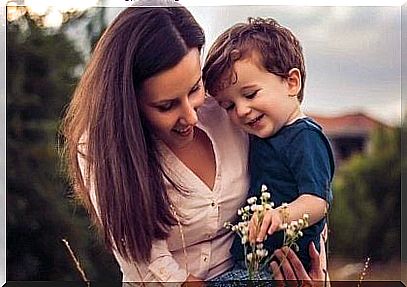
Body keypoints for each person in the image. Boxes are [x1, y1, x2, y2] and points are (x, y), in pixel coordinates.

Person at [62, 1, 327, 285]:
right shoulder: (100, 151)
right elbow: (148, 265)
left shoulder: (232, 110)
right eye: (166, 105)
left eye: (195, 89)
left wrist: (317, 273)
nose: (190, 115)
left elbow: (303, 188)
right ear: (129, 104)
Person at [203, 17, 335, 273]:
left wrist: (279, 215)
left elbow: (317, 201)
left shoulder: (306, 137)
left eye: (250, 94)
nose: (241, 110)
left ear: (291, 82)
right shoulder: (259, 136)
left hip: (286, 266)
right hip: (253, 261)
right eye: (228, 106)